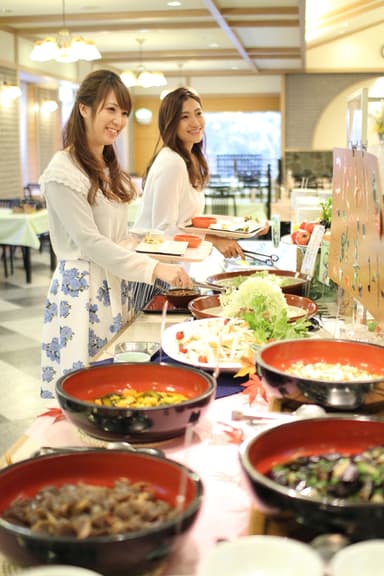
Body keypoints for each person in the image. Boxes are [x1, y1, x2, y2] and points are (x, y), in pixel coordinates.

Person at [39, 69, 191, 398]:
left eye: (124, 113)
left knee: (115, 383)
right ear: (83, 108)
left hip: (114, 284)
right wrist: (154, 269)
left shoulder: (108, 168)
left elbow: (119, 237)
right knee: (85, 386)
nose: (118, 121)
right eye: (111, 109)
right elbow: (91, 243)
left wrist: (152, 249)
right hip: (82, 292)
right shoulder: (62, 171)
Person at [134, 86, 247, 259]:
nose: (195, 122)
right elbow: (163, 230)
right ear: (170, 124)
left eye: (198, 113)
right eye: (184, 117)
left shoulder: (189, 159)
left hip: (177, 262)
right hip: (156, 268)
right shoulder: (172, 162)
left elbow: (185, 223)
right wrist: (214, 239)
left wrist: (226, 233)